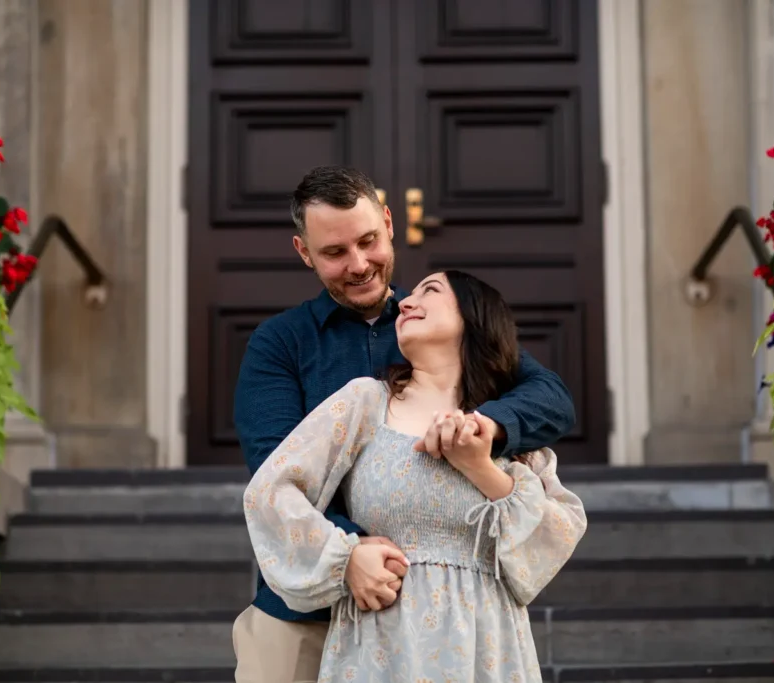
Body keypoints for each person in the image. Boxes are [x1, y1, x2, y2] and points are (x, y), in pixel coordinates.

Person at [231, 166, 576, 682]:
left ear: (390, 224)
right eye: (334, 252)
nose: (359, 264)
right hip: (307, 612)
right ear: (304, 252)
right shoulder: (279, 343)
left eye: (368, 241)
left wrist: (484, 427)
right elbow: (276, 470)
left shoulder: (440, 323)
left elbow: (551, 399)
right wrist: (349, 554)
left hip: (448, 623)